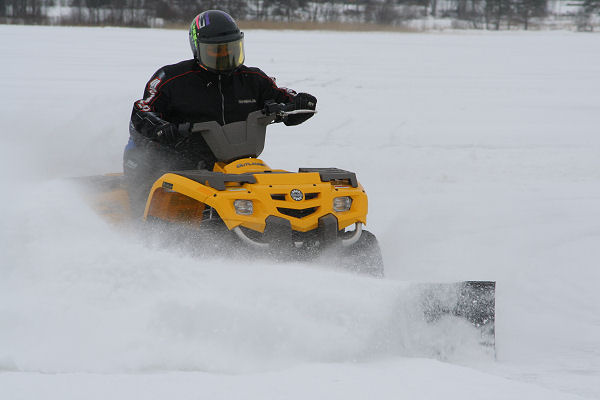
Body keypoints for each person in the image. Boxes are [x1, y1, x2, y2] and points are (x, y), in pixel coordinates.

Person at [124, 9, 317, 216]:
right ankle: (145, 235)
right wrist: (164, 129)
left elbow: (283, 96)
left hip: (234, 167)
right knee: (154, 203)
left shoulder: (252, 79)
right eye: (217, 51)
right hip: (173, 160)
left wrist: (298, 104)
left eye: (231, 49)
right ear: (197, 49)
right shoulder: (171, 79)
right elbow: (142, 109)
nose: (225, 56)